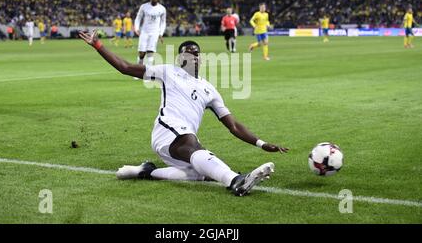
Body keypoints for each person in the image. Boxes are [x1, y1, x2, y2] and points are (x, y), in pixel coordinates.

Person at [78, 31, 289, 196]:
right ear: (180, 58)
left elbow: (233, 126)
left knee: (199, 172)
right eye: (188, 53)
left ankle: (146, 171)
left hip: (181, 139)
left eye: (196, 53)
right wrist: (98, 45)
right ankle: (236, 181)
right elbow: (125, 67)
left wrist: (261, 143)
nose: (193, 56)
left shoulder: (209, 90)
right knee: (195, 146)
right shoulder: (168, 71)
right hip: (166, 130)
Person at [134, 0, 166, 67]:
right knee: (141, 53)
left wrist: (161, 33)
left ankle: (149, 72)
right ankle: (138, 71)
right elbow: (138, 18)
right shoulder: (144, 7)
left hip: (154, 32)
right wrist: (136, 28)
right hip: (144, 32)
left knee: (150, 53)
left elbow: (163, 22)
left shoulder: (162, 8)